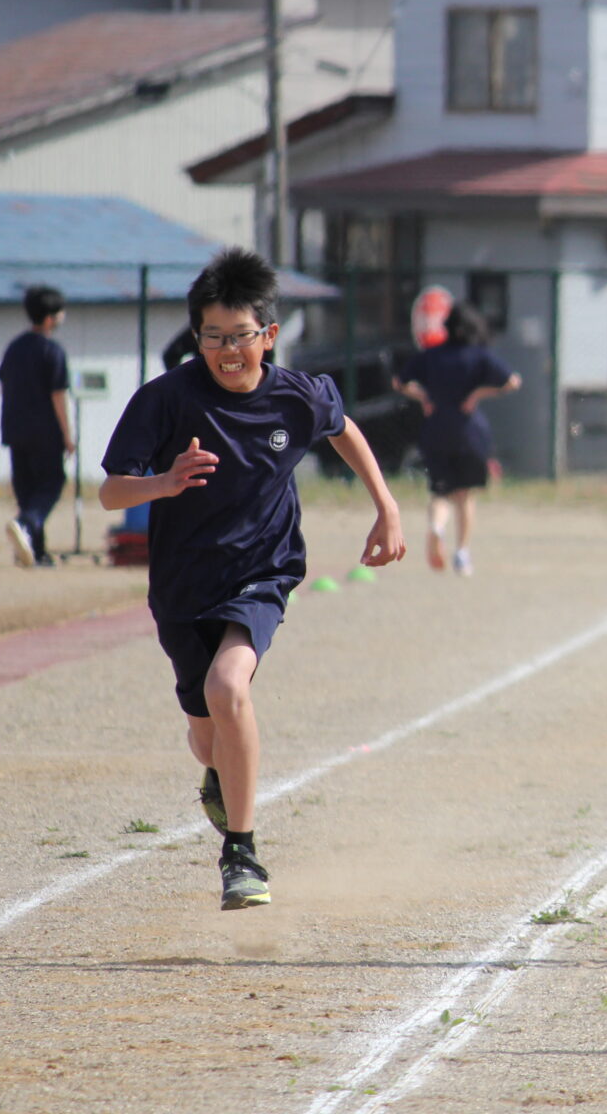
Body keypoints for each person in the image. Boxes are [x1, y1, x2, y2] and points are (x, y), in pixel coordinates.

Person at [98, 248, 406, 911]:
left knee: (227, 685)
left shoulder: (297, 394)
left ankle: (241, 852)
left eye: (239, 337)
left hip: (262, 573)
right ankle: (218, 774)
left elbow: (342, 426)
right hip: (182, 585)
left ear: (267, 335)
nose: (227, 351)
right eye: (213, 338)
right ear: (197, 337)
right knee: (206, 731)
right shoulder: (166, 399)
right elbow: (110, 494)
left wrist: (386, 504)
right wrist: (165, 481)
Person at [392, 301, 521, 576]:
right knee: (465, 496)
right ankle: (462, 554)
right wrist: (476, 395)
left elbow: (399, 382)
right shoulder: (479, 355)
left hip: (436, 430)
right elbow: (512, 381)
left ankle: (436, 528)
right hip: (469, 432)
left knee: (440, 492)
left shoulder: (431, 355)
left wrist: (425, 397)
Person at [0, 285, 74, 567]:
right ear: (51, 318)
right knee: (52, 484)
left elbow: (3, 387)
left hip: (15, 430)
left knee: (27, 490)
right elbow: (58, 394)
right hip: (46, 432)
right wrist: (68, 435)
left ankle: (35, 551)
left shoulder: (14, 347)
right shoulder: (52, 351)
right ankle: (25, 524)